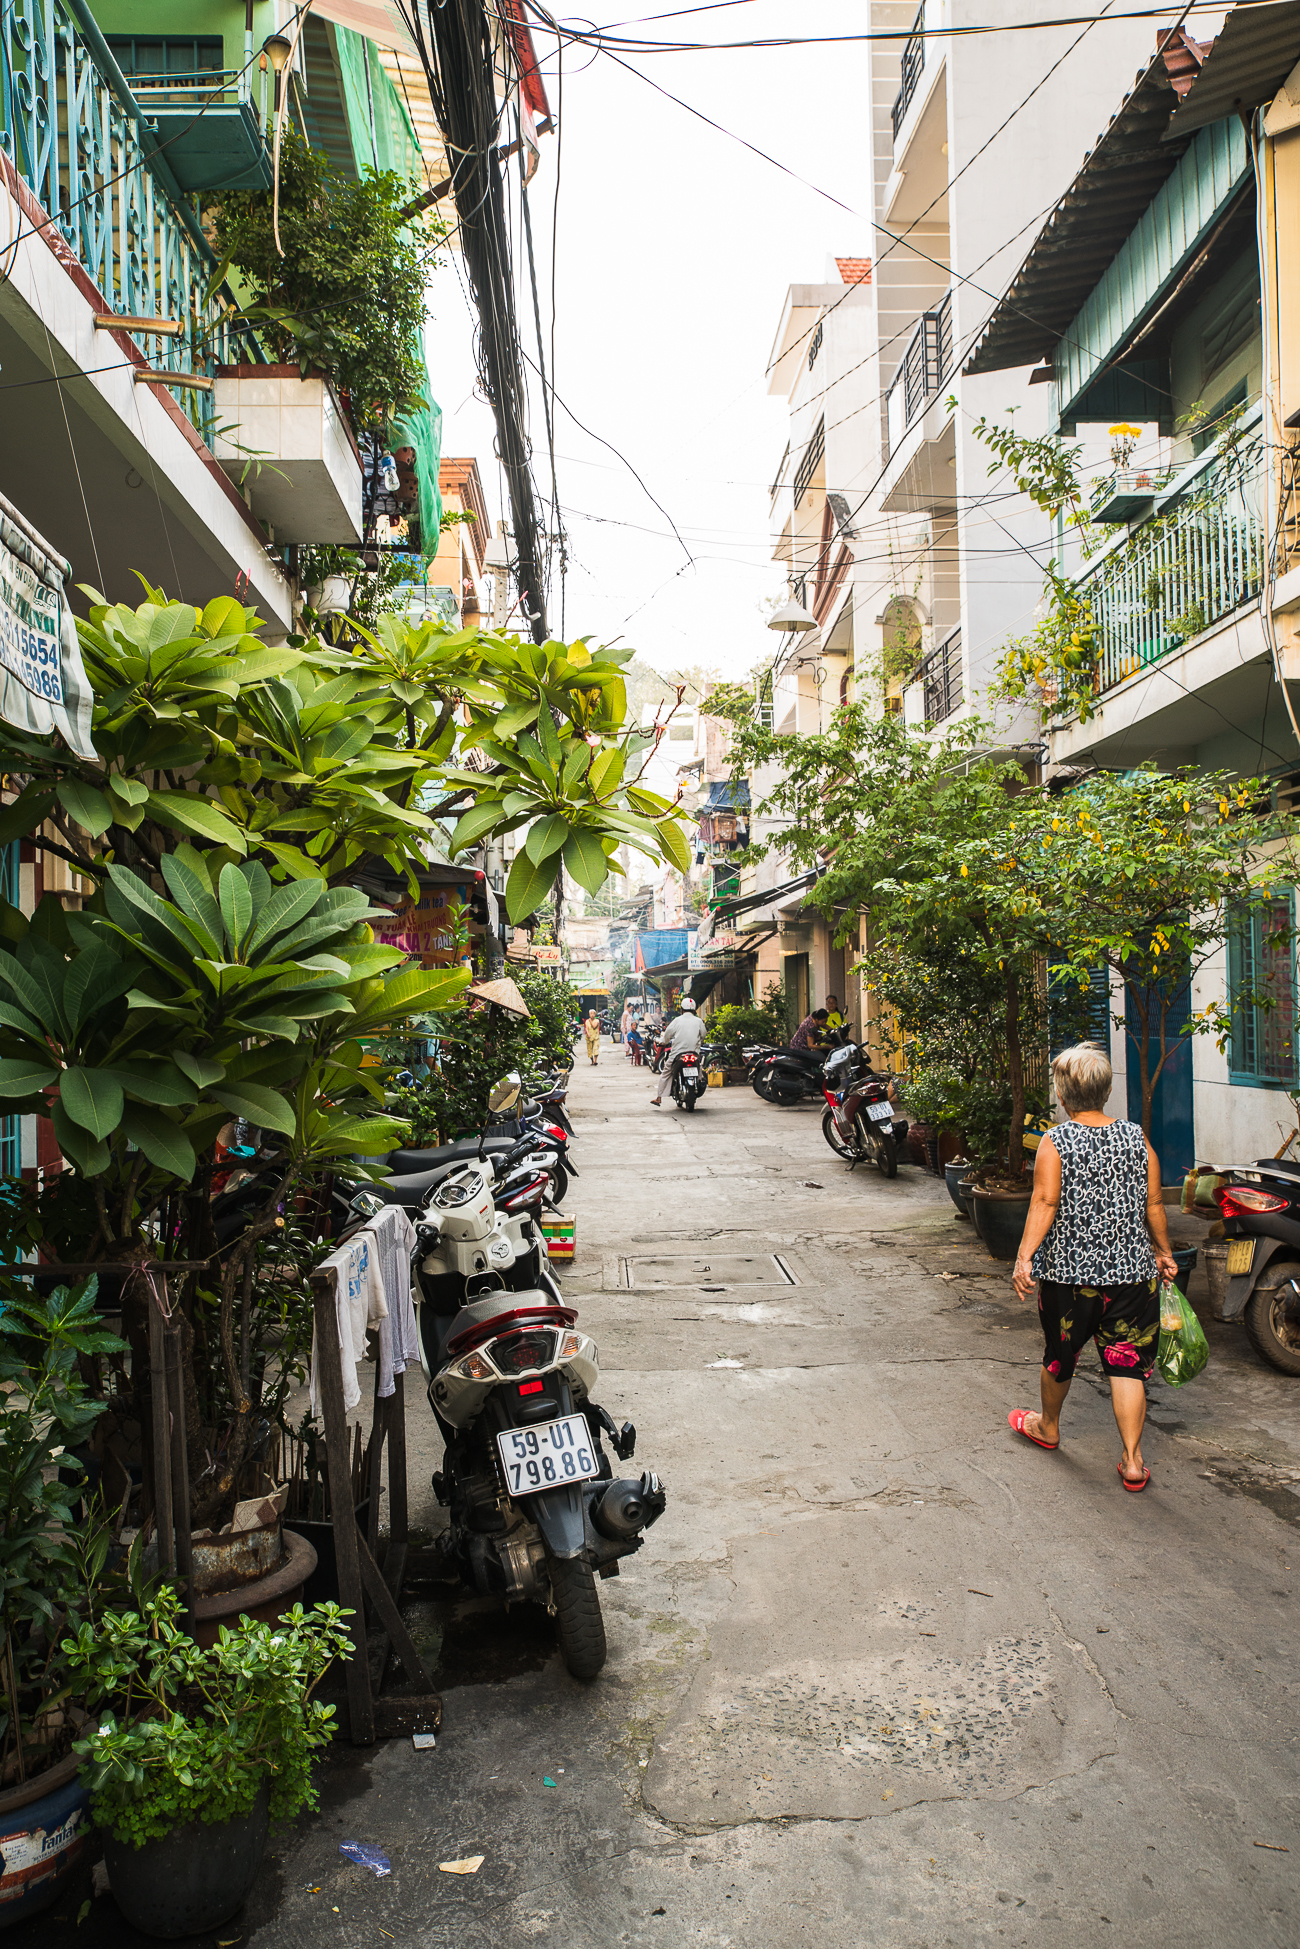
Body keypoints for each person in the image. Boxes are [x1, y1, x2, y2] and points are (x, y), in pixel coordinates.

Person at [1009, 1043, 1179, 1492]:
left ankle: (1048, 1427)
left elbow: (1045, 1202)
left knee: (1060, 1355)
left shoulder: (1056, 1141)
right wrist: (1163, 1253)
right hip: (1132, 1277)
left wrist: (1024, 1257)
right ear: (1105, 1092)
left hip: (1069, 1280)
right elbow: (1155, 1203)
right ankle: (1133, 1460)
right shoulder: (1135, 1138)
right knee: (1127, 1365)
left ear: (1062, 1097)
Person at [650, 996, 706, 1107]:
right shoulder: (698, 1021)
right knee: (699, 1070)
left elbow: (667, 1036)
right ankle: (699, 1082)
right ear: (694, 1009)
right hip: (694, 1053)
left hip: (677, 1054)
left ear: (682, 1009)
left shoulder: (677, 1021)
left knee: (666, 1073)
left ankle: (659, 1097)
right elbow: (703, 1035)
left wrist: (663, 1042)